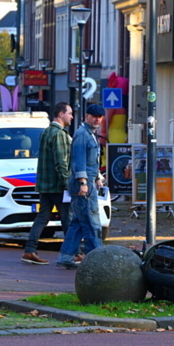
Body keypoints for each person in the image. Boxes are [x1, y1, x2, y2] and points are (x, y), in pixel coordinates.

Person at [22, 102, 73, 265]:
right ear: (60, 114)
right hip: (57, 185)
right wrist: (67, 183)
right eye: (69, 113)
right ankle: (74, 252)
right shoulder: (59, 134)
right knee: (67, 219)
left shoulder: (46, 132)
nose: (71, 116)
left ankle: (30, 250)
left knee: (43, 217)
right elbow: (61, 162)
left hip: (45, 185)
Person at [56, 104, 105, 269]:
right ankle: (96, 259)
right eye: (94, 116)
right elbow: (78, 161)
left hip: (89, 181)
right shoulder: (83, 134)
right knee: (92, 222)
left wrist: (97, 177)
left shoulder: (91, 134)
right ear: (87, 116)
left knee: (78, 222)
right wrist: (83, 182)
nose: (97, 119)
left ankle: (65, 256)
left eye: (100, 117)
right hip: (83, 184)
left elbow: (92, 160)